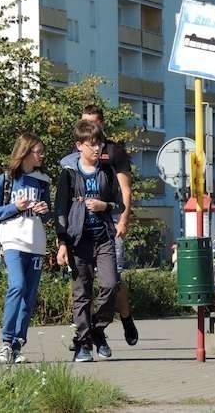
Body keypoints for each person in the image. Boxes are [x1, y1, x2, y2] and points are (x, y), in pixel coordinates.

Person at [60, 105, 138, 347]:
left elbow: (124, 190)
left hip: (110, 220)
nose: (88, 127)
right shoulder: (74, 155)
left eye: (92, 122)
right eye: (83, 122)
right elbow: (64, 199)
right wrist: (62, 237)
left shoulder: (113, 152)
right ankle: (88, 332)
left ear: (102, 123)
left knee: (113, 279)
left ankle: (123, 319)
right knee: (83, 285)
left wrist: (122, 220)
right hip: (81, 227)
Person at [55, 120, 125, 362]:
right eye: (92, 145)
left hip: (104, 237)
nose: (97, 149)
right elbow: (60, 210)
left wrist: (104, 205)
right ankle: (83, 343)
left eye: (100, 144)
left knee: (110, 284)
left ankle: (97, 328)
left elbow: (120, 204)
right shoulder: (69, 174)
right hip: (78, 240)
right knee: (82, 293)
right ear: (79, 146)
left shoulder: (107, 171)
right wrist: (62, 242)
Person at [0, 133, 51, 364]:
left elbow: (48, 213)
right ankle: (5, 341)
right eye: (38, 151)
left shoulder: (43, 180)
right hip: (12, 240)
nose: (42, 155)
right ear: (25, 152)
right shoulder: (6, 179)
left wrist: (44, 210)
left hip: (36, 243)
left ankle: (17, 345)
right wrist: (15, 207)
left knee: (29, 296)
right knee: (17, 286)